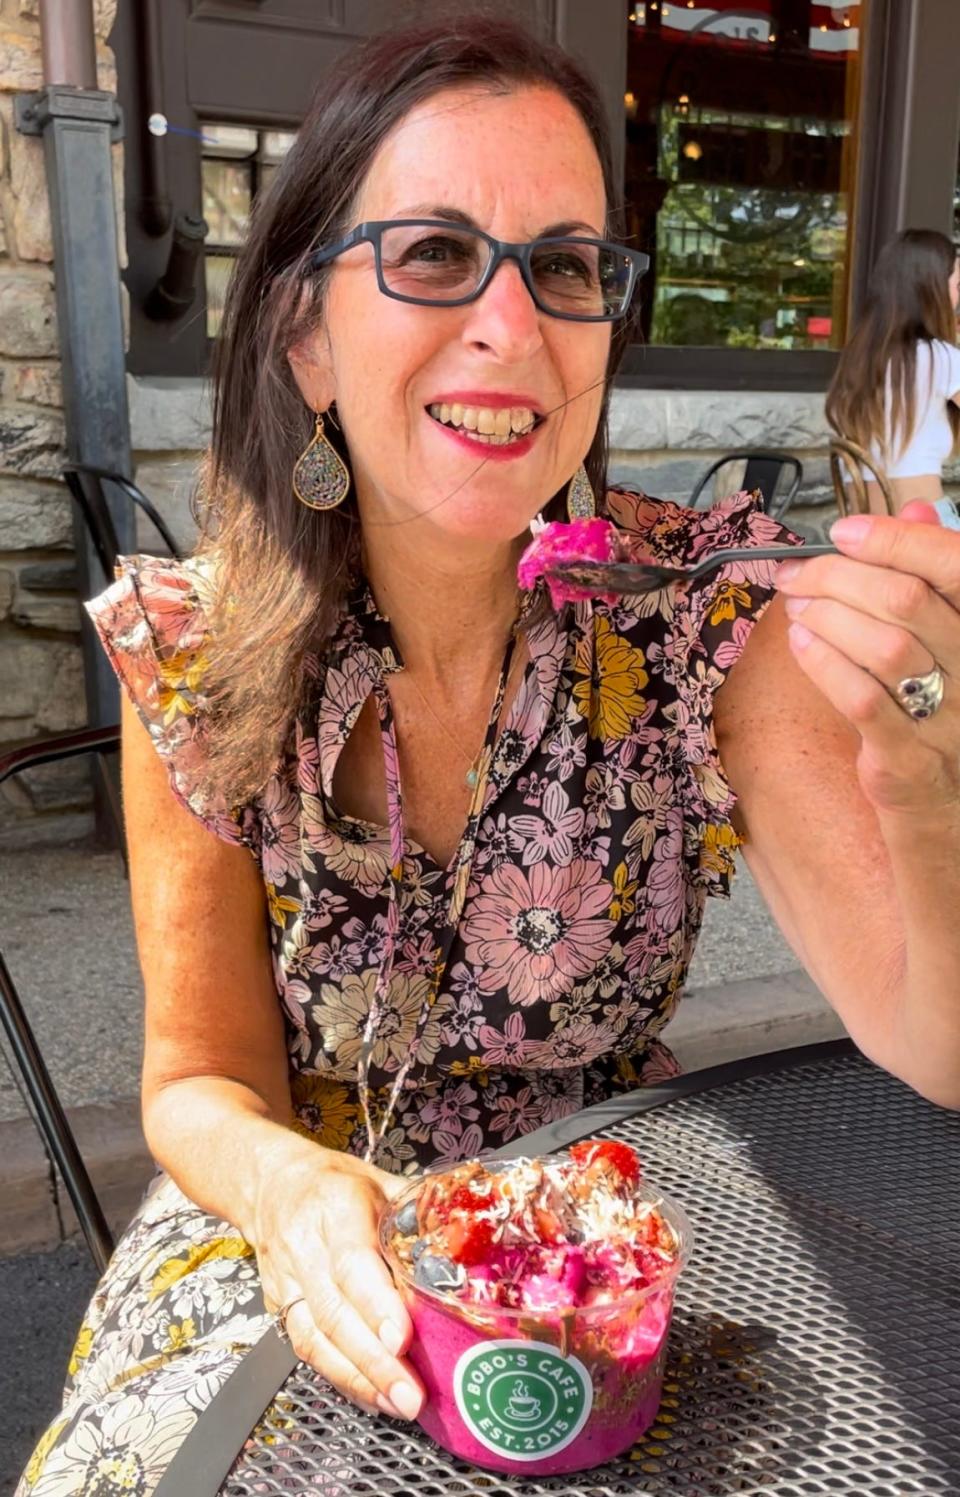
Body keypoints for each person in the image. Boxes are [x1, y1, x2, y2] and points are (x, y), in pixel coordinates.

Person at [18, 17, 960, 1495]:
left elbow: (935, 1037)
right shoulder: (193, 658)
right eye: (434, 254)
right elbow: (197, 1080)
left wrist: (920, 785)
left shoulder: (704, 628)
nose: (511, 327)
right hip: (292, 1242)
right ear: (306, 335)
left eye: (566, 265)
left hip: (595, 1247)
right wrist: (288, 1188)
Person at [826, 228, 960, 515]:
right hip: (924, 533)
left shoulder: (861, 359)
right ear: (934, 288)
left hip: (869, 535)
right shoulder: (940, 358)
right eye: (958, 286)